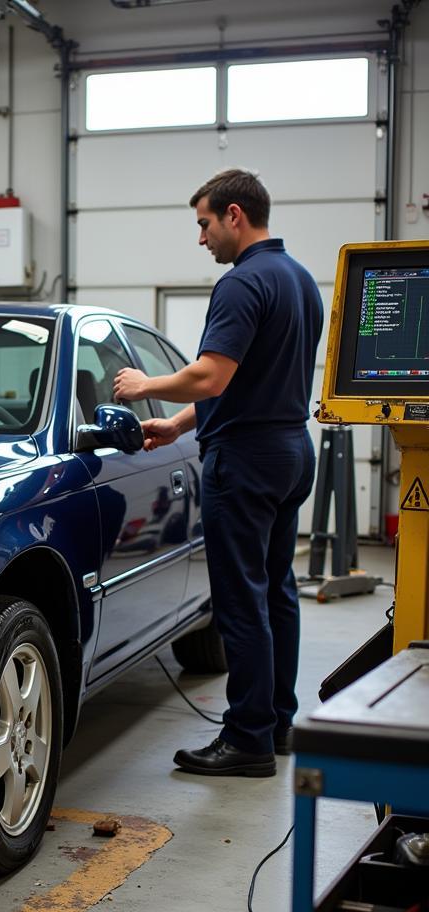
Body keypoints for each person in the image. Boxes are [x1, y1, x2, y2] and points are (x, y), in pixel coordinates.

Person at [113, 168, 322, 778]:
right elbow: (249, 381)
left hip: (247, 462)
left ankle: (247, 739)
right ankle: (279, 721)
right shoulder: (298, 280)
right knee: (277, 590)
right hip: (289, 451)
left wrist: (143, 385)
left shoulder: (241, 284)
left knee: (240, 601)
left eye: (204, 223)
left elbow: (211, 376)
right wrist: (179, 426)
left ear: (234, 215)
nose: (201, 238)